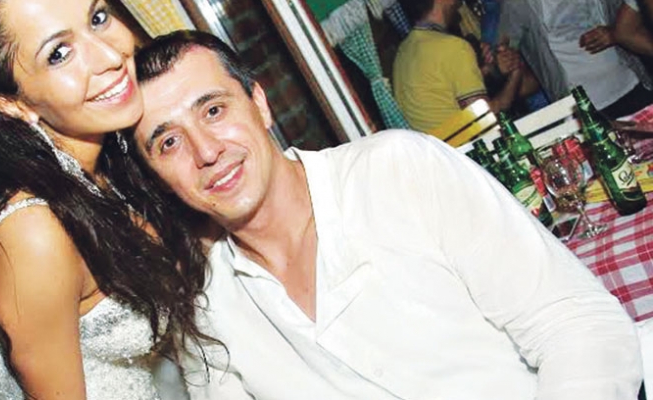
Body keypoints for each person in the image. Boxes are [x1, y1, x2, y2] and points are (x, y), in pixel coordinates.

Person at [128, 30, 643, 399]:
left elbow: (578, 327)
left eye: (214, 110)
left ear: (259, 104)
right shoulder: (204, 310)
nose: (206, 151)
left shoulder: (397, 171)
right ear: (157, 177)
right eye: (168, 142)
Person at [0, 1, 210, 399]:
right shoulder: (31, 233)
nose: (110, 55)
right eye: (59, 53)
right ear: (12, 102)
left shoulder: (100, 157)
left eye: (98, 18)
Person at [500, 0, 653, 118]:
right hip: (582, 107)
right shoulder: (518, 4)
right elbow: (506, 45)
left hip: (632, 82)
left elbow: (632, 16)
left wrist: (613, 33)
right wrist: (505, 60)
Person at [394, 0, 524, 134]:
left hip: (436, 144)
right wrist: (516, 72)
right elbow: (485, 119)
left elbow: (438, 91)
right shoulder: (453, 47)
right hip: (465, 144)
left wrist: (487, 70)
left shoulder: (404, 50)